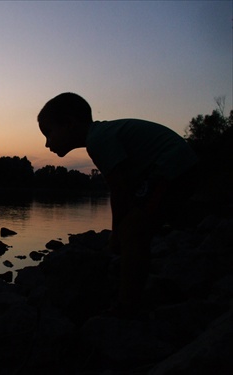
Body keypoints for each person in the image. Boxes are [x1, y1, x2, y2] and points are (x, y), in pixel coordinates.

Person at [37, 92, 197, 317]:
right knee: (140, 225)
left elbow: (119, 191)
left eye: (49, 133)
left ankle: (127, 304)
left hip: (172, 166)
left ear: (70, 124)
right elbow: (130, 189)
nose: (47, 143)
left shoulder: (98, 140)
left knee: (132, 231)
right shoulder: (101, 135)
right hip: (175, 166)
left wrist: (116, 234)